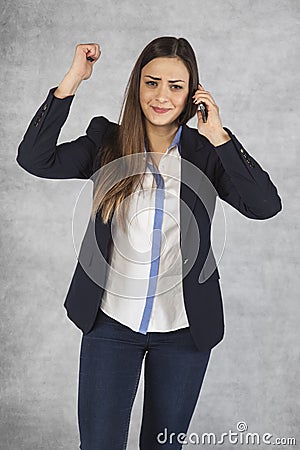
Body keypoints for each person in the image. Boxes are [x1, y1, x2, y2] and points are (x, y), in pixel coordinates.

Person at [16, 36, 282, 450]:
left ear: (194, 93)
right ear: (136, 86)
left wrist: (219, 136)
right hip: (110, 324)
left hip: (184, 331)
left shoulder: (206, 154)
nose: (161, 96)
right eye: (151, 82)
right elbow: (34, 158)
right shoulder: (107, 142)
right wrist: (73, 80)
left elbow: (265, 205)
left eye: (175, 86)